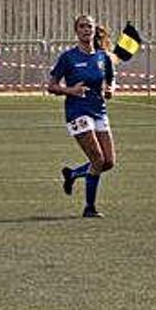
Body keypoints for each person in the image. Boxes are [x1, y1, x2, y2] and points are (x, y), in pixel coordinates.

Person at [49, 14, 116, 218]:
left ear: (95, 30)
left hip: (99, 110)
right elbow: (51, 86)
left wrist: (110, 90)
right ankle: (90, 207)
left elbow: (111, 80)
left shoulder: (103, 57)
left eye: (89, 26)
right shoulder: (68, 57)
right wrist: (70, 90)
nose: (86, 30)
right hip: (77, 111)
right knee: (96, 158)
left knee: (108, 162)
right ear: (76, 31)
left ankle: (73, 173)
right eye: (82, 26)